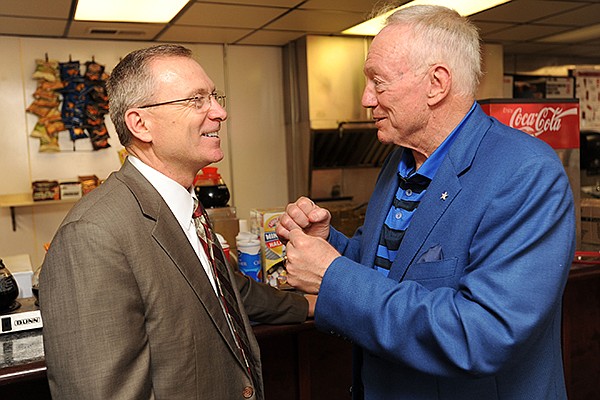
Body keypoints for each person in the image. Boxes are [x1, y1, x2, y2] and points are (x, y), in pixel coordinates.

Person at [276, 5, 575, 400]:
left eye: (377, 82)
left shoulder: (526, 172)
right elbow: (388, 270)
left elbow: (481, 335)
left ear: (436, 83)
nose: (366, 99)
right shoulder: (400, 160)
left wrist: (331, 275)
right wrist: (329, 245)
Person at [40, 44, 313, 400]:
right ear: (141, 124)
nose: (219, 112)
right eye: (196, 100)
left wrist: (313, 304)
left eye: (214, 96)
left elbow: (228, 290)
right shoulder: (92, 235)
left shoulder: (183, 206)